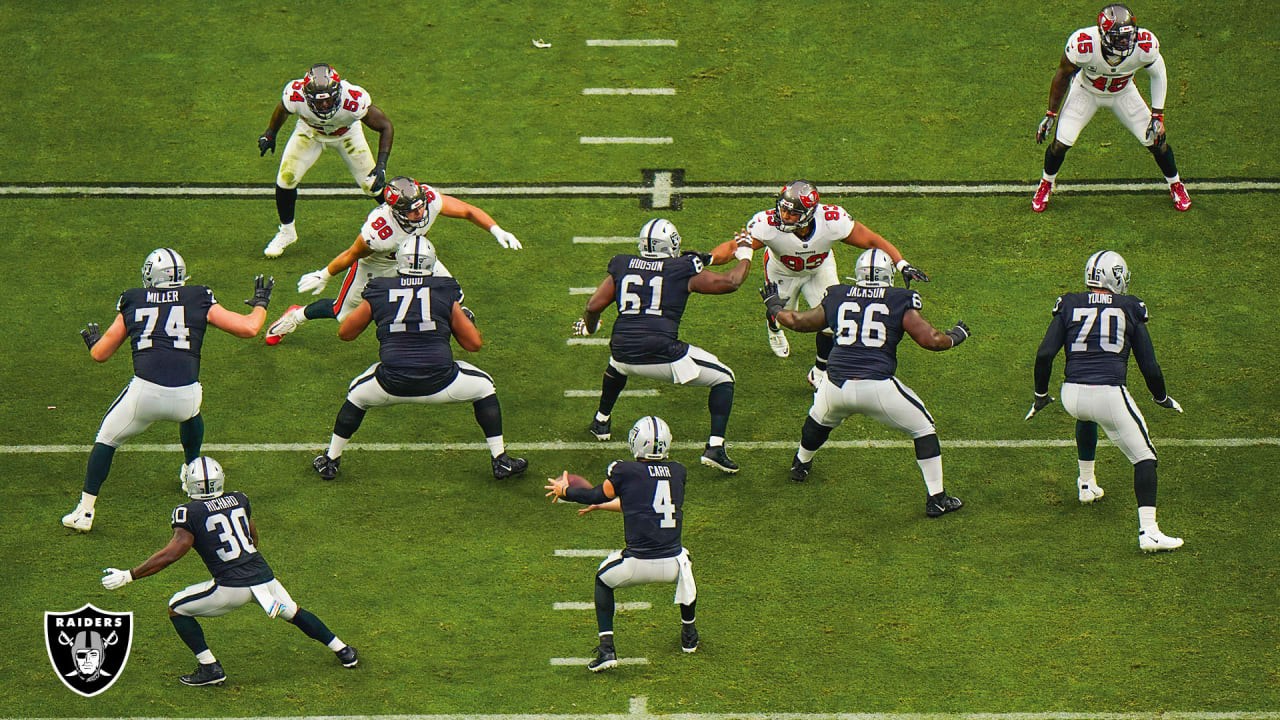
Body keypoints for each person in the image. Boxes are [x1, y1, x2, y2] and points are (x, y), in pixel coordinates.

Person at [63, 249, 272, 533]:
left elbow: (101, 354)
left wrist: (94, 342)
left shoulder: (133, 298)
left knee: (107, 439)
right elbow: (249, 328)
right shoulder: (199, 295)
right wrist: (261, 303)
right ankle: (190, 471)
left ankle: (85, 511)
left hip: (145, 395)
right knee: (192, 411)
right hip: (186, 396)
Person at [100, 457, 358, 686]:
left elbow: (172, 553)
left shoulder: (187, 512)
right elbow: (252, 537)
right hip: (263, 578)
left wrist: (130, 574)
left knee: (176, 608)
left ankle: (209, 667)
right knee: (293, 612)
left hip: (231, 589)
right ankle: (343, 650)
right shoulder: (239, 498)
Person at [762, 248, 967, 517]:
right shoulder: (899, 299)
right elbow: (932, 340)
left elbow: (799, 322)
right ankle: (937, 499)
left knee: (818, 419)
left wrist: (774, 305)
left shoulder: (837, 294)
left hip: (835, 385)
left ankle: (800, 463)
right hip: (878, 387)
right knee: (923, 428)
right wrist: (956, 336)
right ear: (889, 275)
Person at [311, 235, 527, 480]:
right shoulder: (444, 289)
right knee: (484, 386)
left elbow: (345, 334)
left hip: (391, 383)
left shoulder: (380, 289)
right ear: (431, 262)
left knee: (357, 394)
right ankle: (500, 460)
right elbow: (473, 344)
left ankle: (330, 459)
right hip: (442, 380)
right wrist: (463, 320)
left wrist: (383, 315)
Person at [1026, 250, 1184, 552]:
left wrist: (1040, 395)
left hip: (1071, 394)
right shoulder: (1129, 306)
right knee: (1145, 457)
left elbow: (1045, 354)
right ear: (1116, 277)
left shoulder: (1070, 303)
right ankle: (1149, 531)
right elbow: (1148, 364)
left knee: (1085, 417)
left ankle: (1086, 484)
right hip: (1108, 393)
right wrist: (1161, 397)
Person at [573, 218, 752, 473]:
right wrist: (745, 254)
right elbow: (730, 282)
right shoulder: (681, 268)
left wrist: (591, 328)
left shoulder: (623, 264)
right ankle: (715, 447)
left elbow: (592, 307)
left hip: (622, 350)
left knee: (617, 363)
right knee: (724, 378)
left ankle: (601, 421)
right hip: (662, 353)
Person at [710, 181, 930, 387]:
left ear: (809, 213)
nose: (784, 216)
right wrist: (708, 258)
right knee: (781, 313)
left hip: (819, 269)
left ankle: (819, 370)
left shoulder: (832, 220)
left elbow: (872, 240)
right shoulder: (766, 224)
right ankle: (773, 326)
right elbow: (734, 247)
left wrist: (901, 264)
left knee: (832, 319)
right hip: (782, 271)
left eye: (792, 213)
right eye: (783, 209)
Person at [263, 176, 522, 345]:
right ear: (396, 212)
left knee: (455, 296)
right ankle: (296, 316)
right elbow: (352, 254)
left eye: (421, 206)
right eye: (412, 210)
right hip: (377, 265)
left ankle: (442, 332)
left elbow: (467, 210)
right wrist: (326, 274)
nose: (420, 213)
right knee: (343, 316)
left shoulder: (428, 200)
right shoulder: (380, 230)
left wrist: (496, 230)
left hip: (416, 257)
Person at [545, 416, 698, 672]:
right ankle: (689, 635)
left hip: (636, 564)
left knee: (602, 580)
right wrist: (603, 505)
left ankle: (607, 649)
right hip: (674, 566)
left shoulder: (623, 470)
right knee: (686, 559)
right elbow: (647, 504)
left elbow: (596, 492)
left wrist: (566, 492)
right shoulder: (678, 472)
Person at [1032, 4, 1190, 212]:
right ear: (1103, 35)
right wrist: (1051, 114)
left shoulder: (1144, 45)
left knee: (1156, 141)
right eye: (1118, 37)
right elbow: (1062, 75)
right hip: (1086, 91)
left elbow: (1158, 73)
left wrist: (1158, 115)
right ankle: (1046, 183)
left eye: (1128, 36)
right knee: (1062, 142)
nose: (1125, 41)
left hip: (1123, 93)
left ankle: (1175, 183)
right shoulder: (1083, 45)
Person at [257, 63, 395, 257]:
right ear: (307, 96)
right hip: (310, 132)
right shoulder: (295, 94)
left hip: (347, 134)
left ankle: (399, 225)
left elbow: (385, 126)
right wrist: (270, 133)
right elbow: (283, 109)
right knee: (286, 179)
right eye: (319, 101)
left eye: (329, 100)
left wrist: (381, 165)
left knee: (372, 184)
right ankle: (287, 232)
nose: (324, 105)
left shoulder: (353, 100)